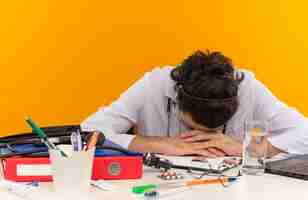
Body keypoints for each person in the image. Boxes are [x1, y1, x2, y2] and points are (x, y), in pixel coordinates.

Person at [81, 50, 308, 158]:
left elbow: (304, 132)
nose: (203, 141)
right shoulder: (155, 84)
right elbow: (89, 131)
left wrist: (250, 147)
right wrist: (160, 144)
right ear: (177, 99)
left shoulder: (247, 86)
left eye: (215, 132)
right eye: (194, 131)